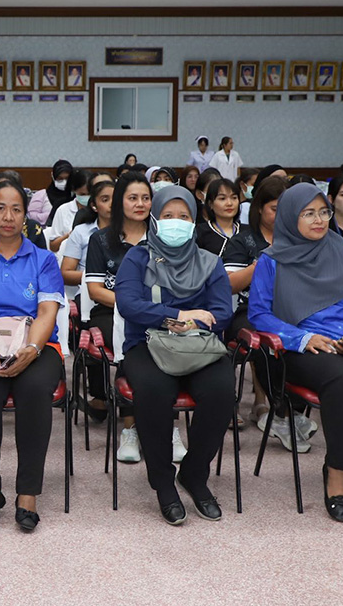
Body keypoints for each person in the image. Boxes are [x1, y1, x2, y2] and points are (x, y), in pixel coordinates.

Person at [249, 183, 343, 526]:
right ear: (290, 217)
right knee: (342, 380)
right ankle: (337, 472)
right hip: (303, 345)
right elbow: (259, 314)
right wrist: (302, 337)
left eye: (323, 212)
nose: (319, 220)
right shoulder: (272, 260)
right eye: (308, 213)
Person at [116, 188, 235, 524]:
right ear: (154, 219)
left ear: (195, 222)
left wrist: (193, 322)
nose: (176, 223)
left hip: (199, 345)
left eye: (184, 217)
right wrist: (177, 315)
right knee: (155, 390)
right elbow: (129, 305)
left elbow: (222, 313)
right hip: (146, 343)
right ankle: (163, 482)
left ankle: (194, 474)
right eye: (168, 216)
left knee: (222, 390)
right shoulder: (137, 258)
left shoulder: (209, 261)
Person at [0, 179, 64, 533]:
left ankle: (27, 495)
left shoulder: (44, 259)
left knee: (34, 391)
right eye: (0, 208)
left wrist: (31, 349)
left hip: (38, 345)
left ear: (26, 216)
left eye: (16, 209)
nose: (8, 216)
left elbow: (47, 312)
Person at [222, 175, 309, 448]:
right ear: (259, 208)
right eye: (275, 208)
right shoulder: (243, 241)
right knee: (265, 339)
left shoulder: (300, 239)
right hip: (248, 312)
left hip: (290, 310)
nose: (282, 215)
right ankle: (281, 410)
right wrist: (262, 262)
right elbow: (229, 285)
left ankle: (292, 411)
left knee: (310, 336)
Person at [85, 173, 160, 460]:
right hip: (110, 310)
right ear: (119, 202)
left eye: (145, 198)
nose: (140, 204)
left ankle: (166, 426)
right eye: (133, 198)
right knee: (134, 341)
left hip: (157, 310)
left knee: (169, 342)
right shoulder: (101, 239)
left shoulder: (161, 237)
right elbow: (94, 290)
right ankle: (129, 428)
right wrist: (133, 305)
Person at [44, 169, 94, 248]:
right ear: (74, 190)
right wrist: (69, 235)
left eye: (90, 194)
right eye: (82, 194)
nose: (87, 197)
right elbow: (53, 246)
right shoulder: (63, 210)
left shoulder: (98, 209)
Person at [194, 178, 240, 257]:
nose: (229, 203)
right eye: (222, 198)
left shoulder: (248, 232)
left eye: (234, 198)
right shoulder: (199, 232)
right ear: (210, 204)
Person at [28, 159, 75, 226]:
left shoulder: (75, 196)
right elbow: (31, 216)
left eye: (67, 179)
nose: (64, 182)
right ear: (53, 177)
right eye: (60, 179)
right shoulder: (42, 195)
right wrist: (53, 214)